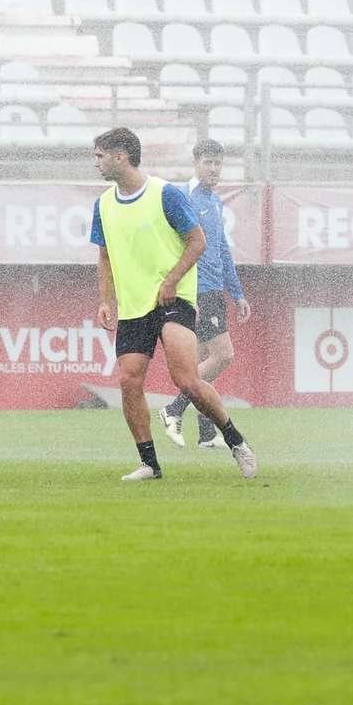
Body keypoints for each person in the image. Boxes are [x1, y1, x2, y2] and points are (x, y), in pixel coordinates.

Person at [90, 127, 258, 481]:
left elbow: (197, 242)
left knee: (186, 379)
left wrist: (170, 281)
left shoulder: (165, 193)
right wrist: (104, 301)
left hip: (173, 299)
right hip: (134, 308)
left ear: (120, 158)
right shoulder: (103, 203)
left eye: (99, 155)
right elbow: (104, 257)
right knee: (128, 381)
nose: (96, 163)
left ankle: (236, 441)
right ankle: (149, 464)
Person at [158, 139, 251, 449]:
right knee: (223, 355)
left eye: (218, 164)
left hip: (214, 288)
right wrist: (187, 294)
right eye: (208, 163)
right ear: (195, 163)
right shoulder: (183, 196)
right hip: (198, 291)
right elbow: (172, 246)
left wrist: (237, 293)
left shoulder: (215, 200)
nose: (214, 169)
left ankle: (207, 434)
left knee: (201, 365)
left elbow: (221, 247)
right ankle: (172, 410)